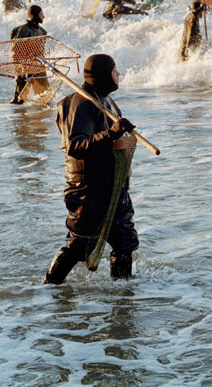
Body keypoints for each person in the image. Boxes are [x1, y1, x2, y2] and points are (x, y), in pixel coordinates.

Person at [45, 54, 138, 284]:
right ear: (103, 76)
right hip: (89, 190)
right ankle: (50, 287)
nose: (118, 75)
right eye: (114, 71)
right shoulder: (81, 103)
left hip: (113, 187)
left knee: (124, 242)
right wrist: (112, 133)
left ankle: (123, 296)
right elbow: (75, 145)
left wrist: (120, 131)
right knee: (80, 244)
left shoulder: (104, 100)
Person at [9, 5, 49, 104]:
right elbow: (15, 50)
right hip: (25, 66)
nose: (43, 16)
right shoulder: (23, 30)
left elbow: (41, 49)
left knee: (45, 98)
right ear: (35, 16)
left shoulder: (42, 31)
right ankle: (18, 116)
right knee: (19, 100)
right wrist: (19, 69)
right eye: (41, 14)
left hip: (38, 65)